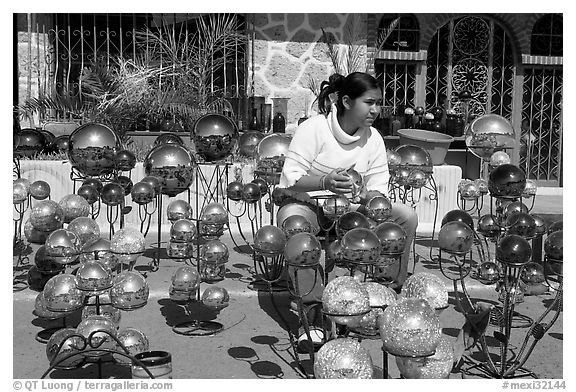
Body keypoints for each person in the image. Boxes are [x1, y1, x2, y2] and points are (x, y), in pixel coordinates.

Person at [274, 72, 418, 347]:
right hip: (307, 206)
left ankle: (382, 298)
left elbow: (380, 194)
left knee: (405, 216)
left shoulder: (373, 138)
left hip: (352, 211)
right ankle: (312, 317)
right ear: (347, 101)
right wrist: (325, 182)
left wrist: (364, 195)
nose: (376, 110)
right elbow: (290, 179)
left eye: (378, 103)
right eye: (369, 102)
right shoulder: (314, 129)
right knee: (294, 225)